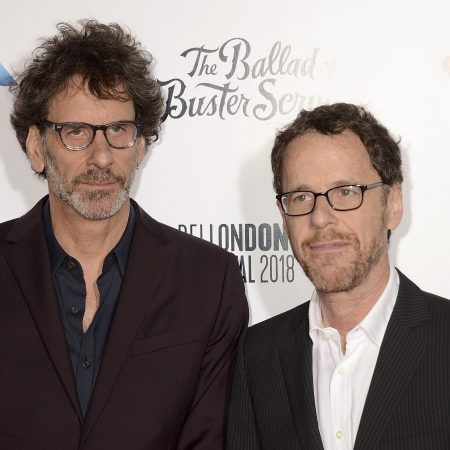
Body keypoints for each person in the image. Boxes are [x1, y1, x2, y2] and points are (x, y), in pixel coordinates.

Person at [0, 20, 248, 450]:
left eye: (119, 130)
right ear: (37, 147)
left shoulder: (209, 279)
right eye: (76, 131)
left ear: (142, 146)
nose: (102, 156)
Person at [227, 103, 450, 450]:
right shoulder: (257, 357)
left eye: (346, 192)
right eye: (301, 197)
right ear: (283, 216)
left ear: (393, 204)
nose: (320, 218)